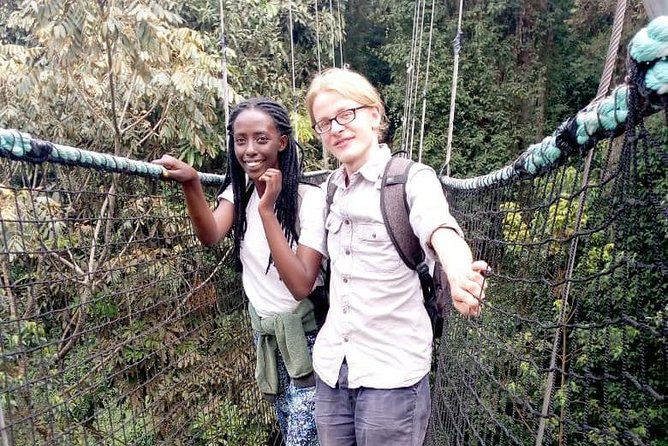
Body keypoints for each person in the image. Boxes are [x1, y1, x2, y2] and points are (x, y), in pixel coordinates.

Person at [304, 67, 488, 445]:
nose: (336, 128)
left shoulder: (412, 178)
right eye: (324, 123)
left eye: (345, 114)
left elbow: (440, 227)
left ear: (374, 115)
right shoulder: (327, 193)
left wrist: (458, 270)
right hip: (332, 370)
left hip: (392, 378)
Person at [153, 97, 325, 446]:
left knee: (303, 439)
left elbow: (301, 284)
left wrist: (267, 211)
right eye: (240, 139)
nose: (249, 150)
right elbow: (211, 234)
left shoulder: (311, 199)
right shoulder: (239, 193)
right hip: (267, 339)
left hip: (309, 338)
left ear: (282, 142)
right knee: (289, 426)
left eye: (261, 139)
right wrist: (192, 183)